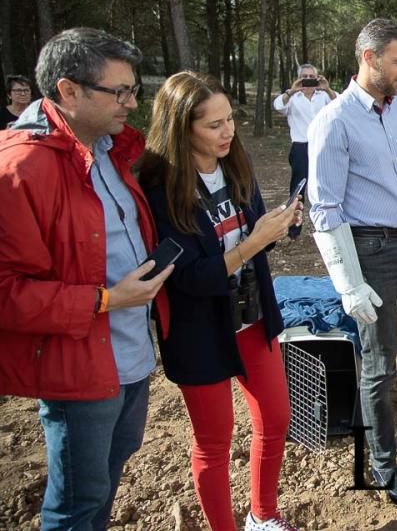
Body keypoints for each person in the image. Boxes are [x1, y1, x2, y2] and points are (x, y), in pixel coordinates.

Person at [0, 27, 173, 529]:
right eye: (118, 92)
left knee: (104, 485)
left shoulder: (106, 150)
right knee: (77, 502)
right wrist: (105, 299)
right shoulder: (20, 170)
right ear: (68, 91)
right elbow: (7, 294)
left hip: (131, 357)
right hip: (79, 370)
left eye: (133, 90)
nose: (131, 104)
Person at [136, 71, 302, 531]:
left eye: (230, 119)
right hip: (199, 330)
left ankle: (263, 515)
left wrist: (276, 227)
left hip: (252, 316)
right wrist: (253, 243)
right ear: (181, 127)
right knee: (215, 441)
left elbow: (251, 237)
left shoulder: (234, 164)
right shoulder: (160, 189)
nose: (227, 131)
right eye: (213, 125)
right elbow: (188, 278)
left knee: (275, 415)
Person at [308, 18, 397, 509]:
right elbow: (324, 211)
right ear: (368, 59)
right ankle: (384, 464)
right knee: (379, 363)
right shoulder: (333, 121)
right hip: (370, 253)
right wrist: (348, 284)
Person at [272, 63, 336, 239]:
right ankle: (293, 228)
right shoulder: (292, 97)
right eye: (304, 76)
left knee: (325, 185)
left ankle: (326, 225)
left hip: (322, 145)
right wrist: (292, 91)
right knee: (298, 188)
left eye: (311, 76)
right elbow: (277, 105)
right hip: (301, 146)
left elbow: (339, 104)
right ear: (299, 78)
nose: (308, 80)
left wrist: (328, 89)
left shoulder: (323, 96)